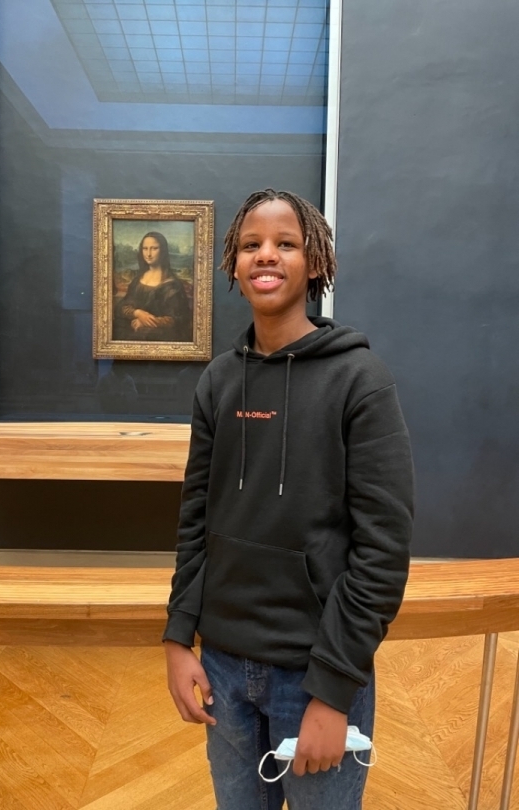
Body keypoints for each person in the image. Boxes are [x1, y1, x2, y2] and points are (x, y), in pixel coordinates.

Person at [162, 189, 414, 810]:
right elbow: (195, 518)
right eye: (251, 244)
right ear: (233, 261)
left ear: (315, 261)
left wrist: (332, 690)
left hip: (314, 673)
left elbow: (383, 551)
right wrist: (178, 638)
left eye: (286, 243)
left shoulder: (360, 380)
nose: (266, 255)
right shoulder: (219, 380)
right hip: (223, 669)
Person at [114, 231, 192, 342]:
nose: (148, 254)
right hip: (132, 331)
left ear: (163, 251)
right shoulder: (138, 279)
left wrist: (146, 321)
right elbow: (122, 306)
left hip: (161, 337)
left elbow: (177, 319)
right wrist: (138, 313)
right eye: (145, 249)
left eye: (154, 248)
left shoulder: (173, 285)